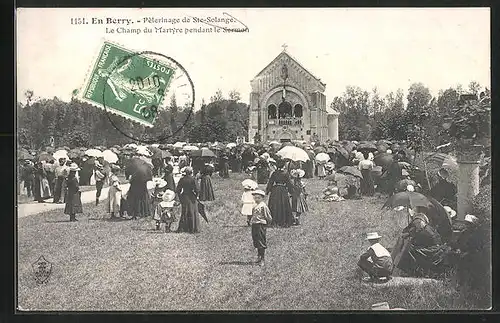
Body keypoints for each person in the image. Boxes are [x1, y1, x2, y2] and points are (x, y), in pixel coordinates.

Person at [395, 213, 450, 277]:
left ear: (423, 222)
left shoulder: (426, 231)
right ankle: (412, 270)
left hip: (433, 251)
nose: (417, 225)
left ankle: (410, 270)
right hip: (432, 249)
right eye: (415, 224)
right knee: (411, 249)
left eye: (418, 223)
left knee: (410, 250)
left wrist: (411, 235)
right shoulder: (426, 228)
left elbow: (416, 241)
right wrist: (410, 233)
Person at [266, 159, 294, 227]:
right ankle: (283, 220)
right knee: (283, 204)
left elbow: (270, 183)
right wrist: (291, 192)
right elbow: (289, 183)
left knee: (274, 205)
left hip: (275, 190)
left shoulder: (274, 173)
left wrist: (268, 191)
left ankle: (274, 220)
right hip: (283, 190)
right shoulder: (286, 173)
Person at [250, 190, 272, 266]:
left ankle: (262, 259)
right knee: (256, 240)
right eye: (255, 198)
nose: (256, 199)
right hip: (255, 224)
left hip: (261, 225)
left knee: (261, 241)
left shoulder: (263, 206)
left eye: (258, 198)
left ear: (262, 198)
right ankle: (258, 257)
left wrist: (267, 224)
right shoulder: (255, 205)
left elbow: (268, 216)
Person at [175, 167, 199, 233]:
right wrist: (196, 196)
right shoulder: (193, 179)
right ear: (191, 172)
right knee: (192, 212)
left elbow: (177, 190)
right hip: (191, 197)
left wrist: (180, 197)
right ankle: (192, 228)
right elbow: (197, 189)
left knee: (184, 212)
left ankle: (183, 228)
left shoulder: (182, 179)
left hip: (184, 196)